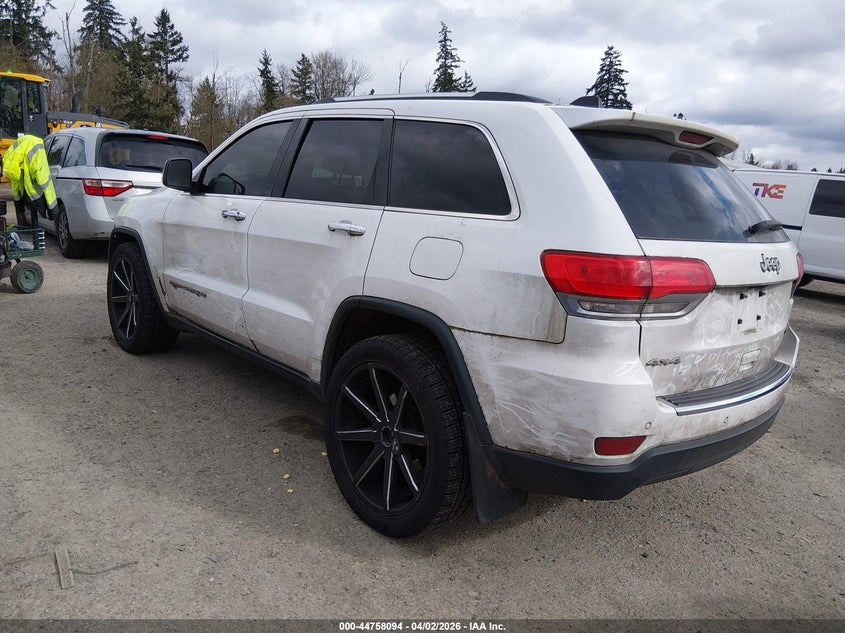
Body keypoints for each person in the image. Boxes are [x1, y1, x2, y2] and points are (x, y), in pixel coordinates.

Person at [2, 134, 57, 228]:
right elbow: (16, 183)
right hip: (33, 189)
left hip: (33, 182)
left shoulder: (14, 158)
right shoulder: (13, 165)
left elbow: (44, 180)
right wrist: (18, 203)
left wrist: (52, 208)